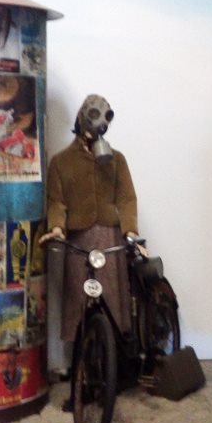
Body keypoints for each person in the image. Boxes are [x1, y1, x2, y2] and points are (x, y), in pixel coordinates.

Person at [40, 94, 141, 358]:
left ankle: (114, 359)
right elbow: (57, 202)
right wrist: (57, 228)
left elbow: (127, 198)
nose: (100, 125)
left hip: (110, 238)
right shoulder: (61, 162)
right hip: (78, 242)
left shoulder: (116, 160)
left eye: (106, 117)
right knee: (79, 300)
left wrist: (130, 231)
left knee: (112, 300)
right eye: (95, 116)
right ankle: (81, 361)